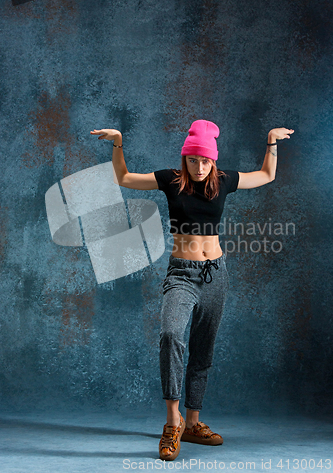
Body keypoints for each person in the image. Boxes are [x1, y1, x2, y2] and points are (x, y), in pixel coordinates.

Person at [90, 121, 294, 461]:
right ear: (184, 158)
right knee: (171, 335)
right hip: (182, 272)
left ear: (213, 160)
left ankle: (194, 423)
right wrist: (118, 145)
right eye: (193, 160)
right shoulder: (170, 180)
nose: (199, 168)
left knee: (203, 348)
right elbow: (124, 178)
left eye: (205, 161)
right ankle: (173, 422)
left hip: (216, 274)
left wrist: (272, 142)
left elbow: (266, 175)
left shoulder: (224, 181)